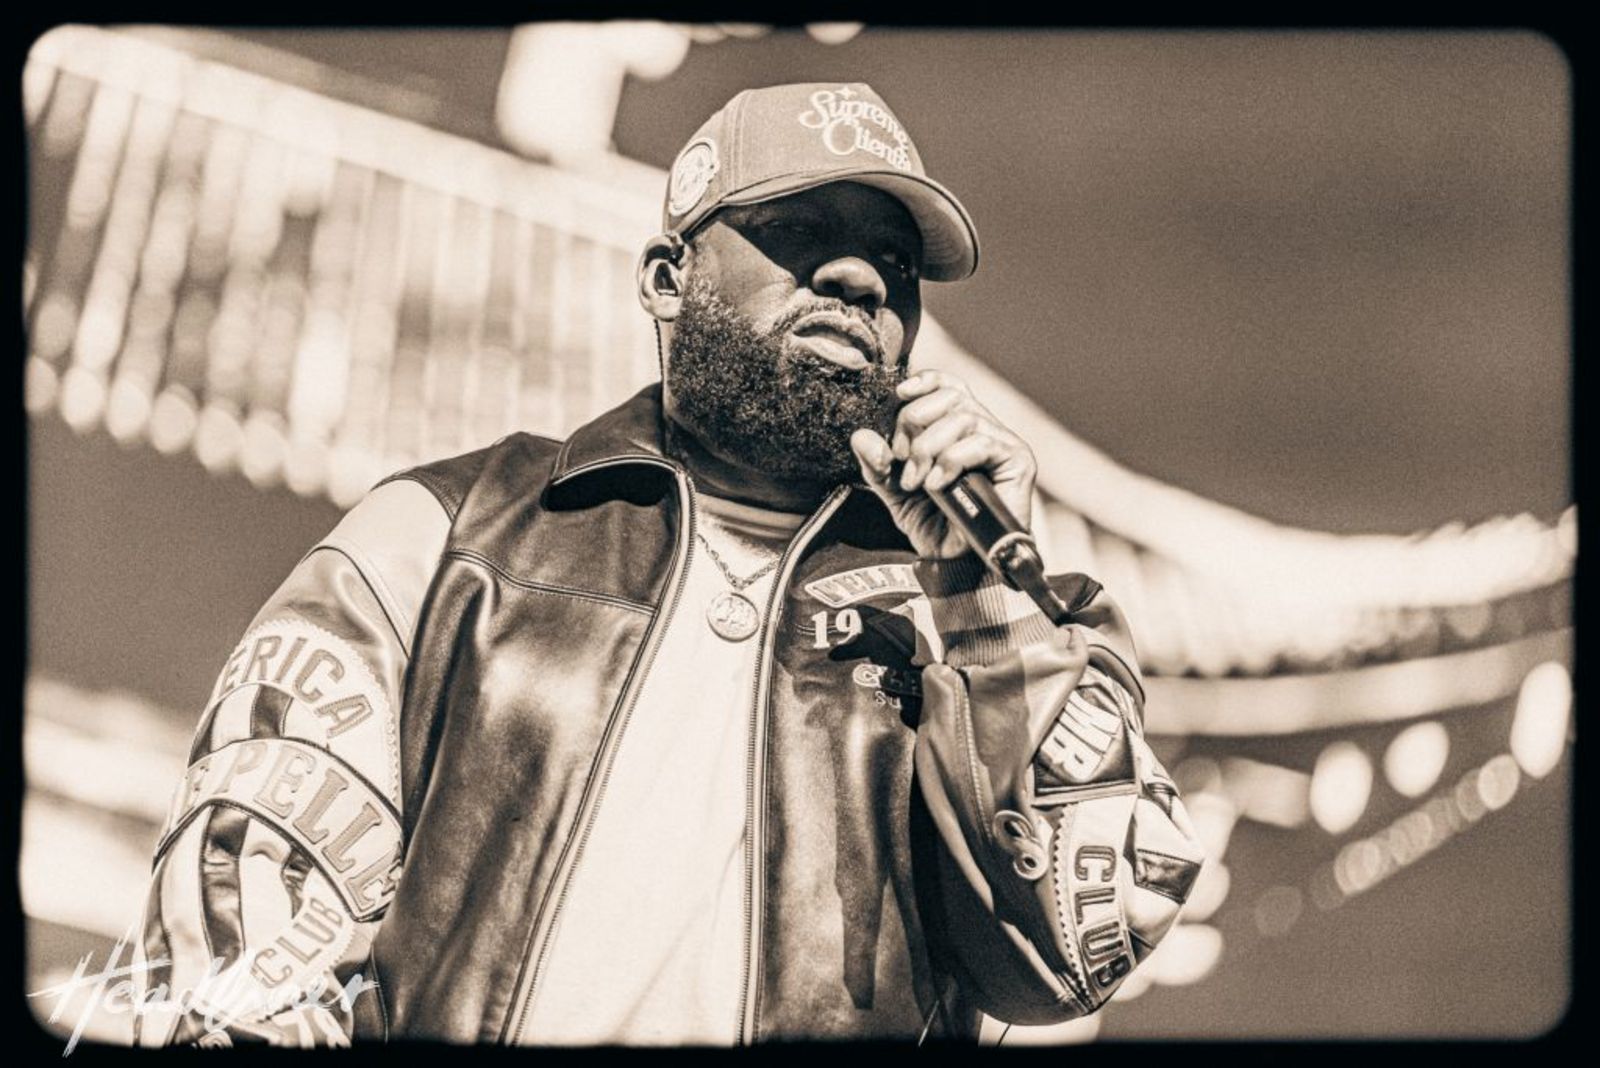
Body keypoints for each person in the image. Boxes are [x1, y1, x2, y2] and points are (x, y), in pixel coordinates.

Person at [130, 82, 1204, 1047]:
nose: (859, 280)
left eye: (894, 265)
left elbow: (1073, 958)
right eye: (800, 232)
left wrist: (983, 605)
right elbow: (243, 921)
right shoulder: (441, 534)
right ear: (666, 278)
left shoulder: (1011, 615)